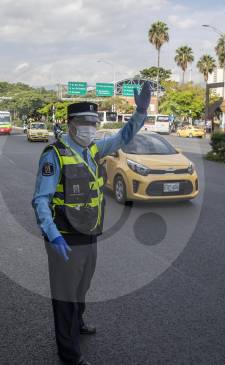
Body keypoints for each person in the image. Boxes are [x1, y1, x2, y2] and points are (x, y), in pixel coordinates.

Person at [32, 84, 151, 365]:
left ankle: (79, 321)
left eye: (94, 123)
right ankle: (70, 354)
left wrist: (141, 112)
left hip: (89, 233)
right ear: (70, 125)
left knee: (82, 287)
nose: (90, 128)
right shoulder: (55, 155)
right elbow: (40, 200)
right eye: (84, 123)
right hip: (63, 236)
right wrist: (52, 236)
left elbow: (124, 135)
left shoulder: (95, 148)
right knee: (65, 298)